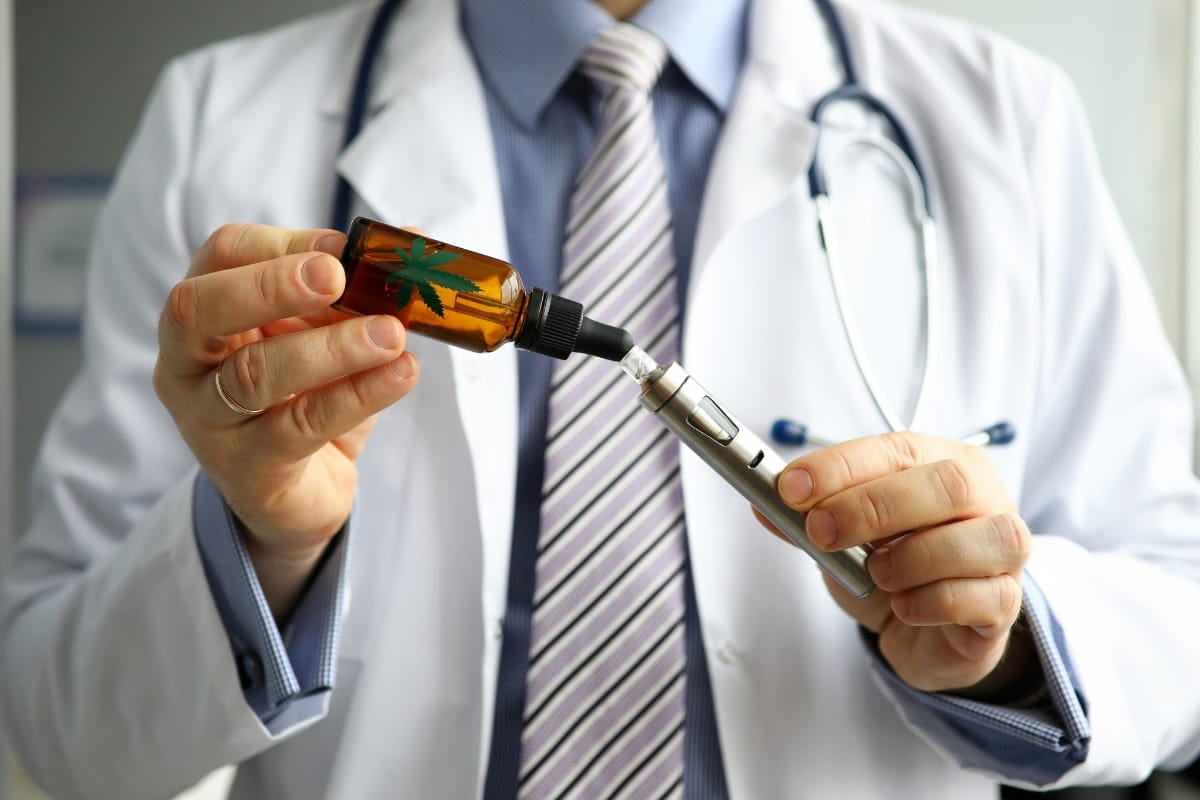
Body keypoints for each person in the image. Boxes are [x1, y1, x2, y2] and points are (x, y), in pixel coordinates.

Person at [4, 0, 1200, 797]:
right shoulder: (220, 117)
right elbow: (61, 720)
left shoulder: (1006, 117)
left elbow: (1180, 609)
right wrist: (259, 542)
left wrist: (1005, 645)